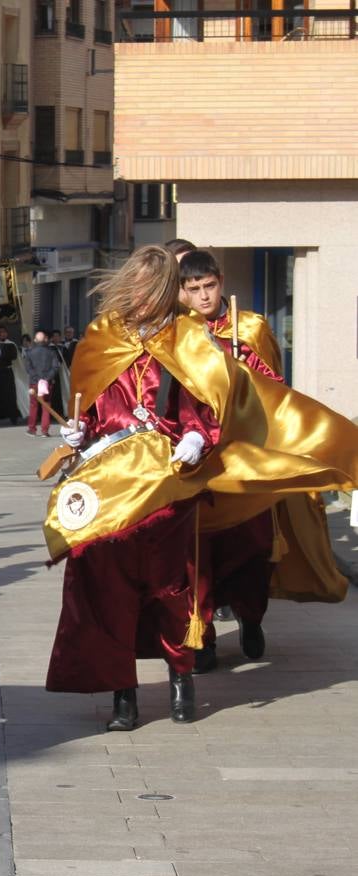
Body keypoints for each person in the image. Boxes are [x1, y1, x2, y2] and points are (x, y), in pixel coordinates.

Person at [47, 246, 222, 729]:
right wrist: (76, 430)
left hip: (165, 478)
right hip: (110, 477)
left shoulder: (188, 335)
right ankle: (123, 692)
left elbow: (206, 404)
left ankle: (180, 673)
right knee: (107, 583)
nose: (142, 299)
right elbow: (86, 404)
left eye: (152, 291)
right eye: (137, 289)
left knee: (168, 584)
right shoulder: (102, 336)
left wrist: (197, 434)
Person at [179, 250, 281, 672]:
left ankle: (251, 618)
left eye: (209, 286)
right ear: (182, 292)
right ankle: (202, 638)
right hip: (199, 461)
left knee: (252, 546)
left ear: (221, 282)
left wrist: (247, 370)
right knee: (199, 552)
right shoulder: (178, 334)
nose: (203, 296)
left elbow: (275, 390)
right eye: (194, 289)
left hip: (244, 457)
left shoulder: (250, 327)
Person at [23, 329, 63, 437]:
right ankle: (45, 430)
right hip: (47, 382)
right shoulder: (51, 352)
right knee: (46, 405)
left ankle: (32, 429)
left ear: (35, 340)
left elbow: (28, 368)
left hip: (34, 382)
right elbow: (55, 367)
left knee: (33, 405)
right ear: (45, 339)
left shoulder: (29, 352)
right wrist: (46, 378)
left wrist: (37, 378)